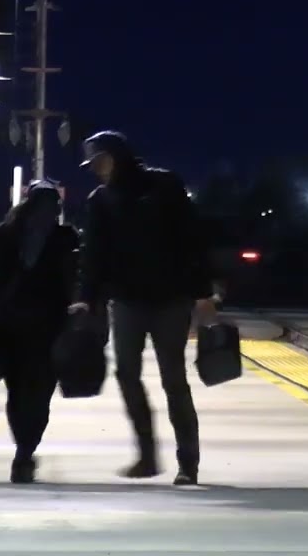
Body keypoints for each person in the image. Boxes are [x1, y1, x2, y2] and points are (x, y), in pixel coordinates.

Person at [68, 130, 216, 486]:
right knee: (126, 374)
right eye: (92, 164)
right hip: (127, 300)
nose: (96, 169)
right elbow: (93, 254)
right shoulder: (100, 200)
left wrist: (203, 294)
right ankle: (147, 456)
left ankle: (188, 463)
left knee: (173, 379)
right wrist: (86, 297)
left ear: (117, 156)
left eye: (99, 160)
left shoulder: (164, 186)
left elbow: (192, 239)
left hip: (171, 298)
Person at [0, 180, 79, 484]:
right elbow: (76, 277)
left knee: (16, 389)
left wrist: (0, 298)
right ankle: (26, 449)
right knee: (41, 391)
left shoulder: (3, 234)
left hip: (10, 323)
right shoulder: (65, 238)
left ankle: (22, 448)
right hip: (50, 326)